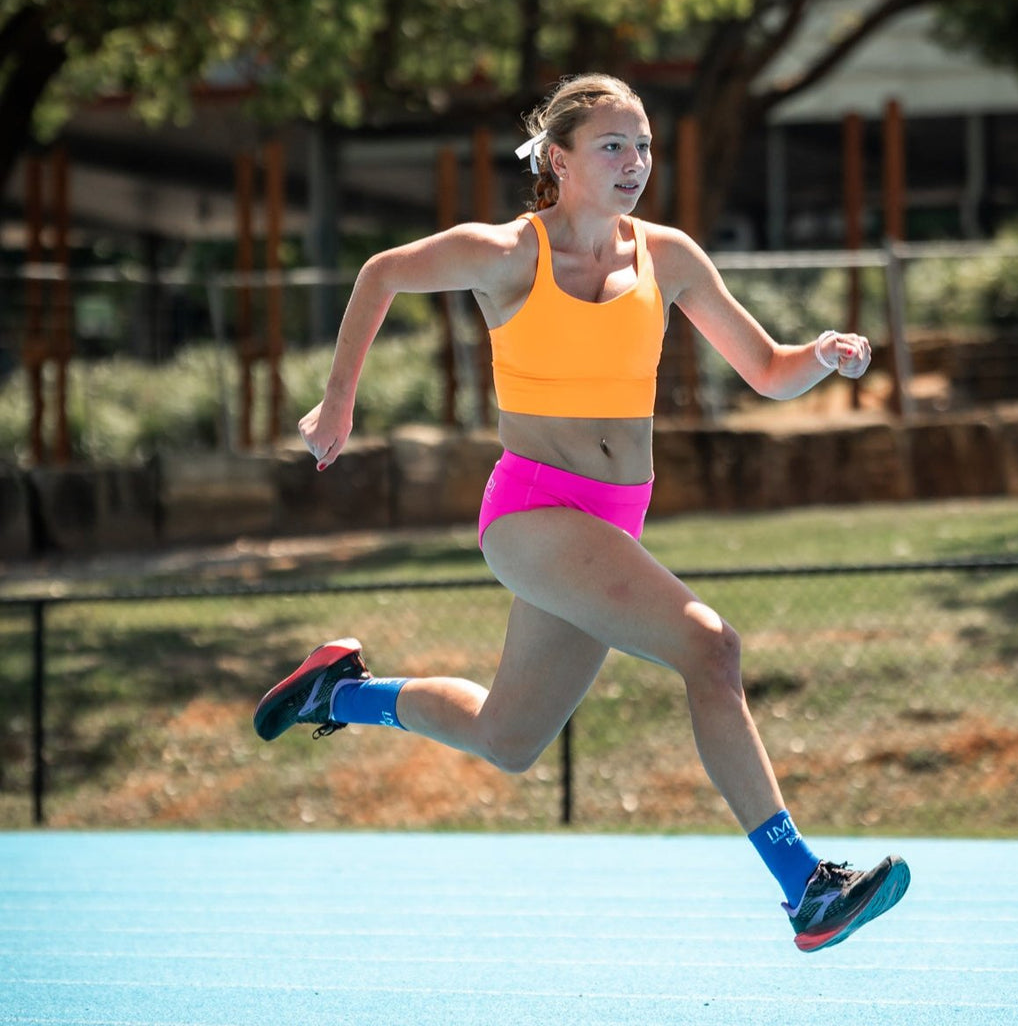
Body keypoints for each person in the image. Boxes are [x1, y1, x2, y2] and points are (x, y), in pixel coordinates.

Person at [254, 73, 909, 952]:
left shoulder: (668, 256)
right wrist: (339, 402)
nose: (635, 162)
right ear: (557, 160)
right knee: (711, 649)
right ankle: (805, 886)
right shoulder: (508, 253)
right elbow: (382, 274)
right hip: (532, 513)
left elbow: (767, 370)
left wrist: (822, 355)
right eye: (614, 146)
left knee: (510, 737)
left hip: (611, 523)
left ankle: (344, 691)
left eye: (643, 146)